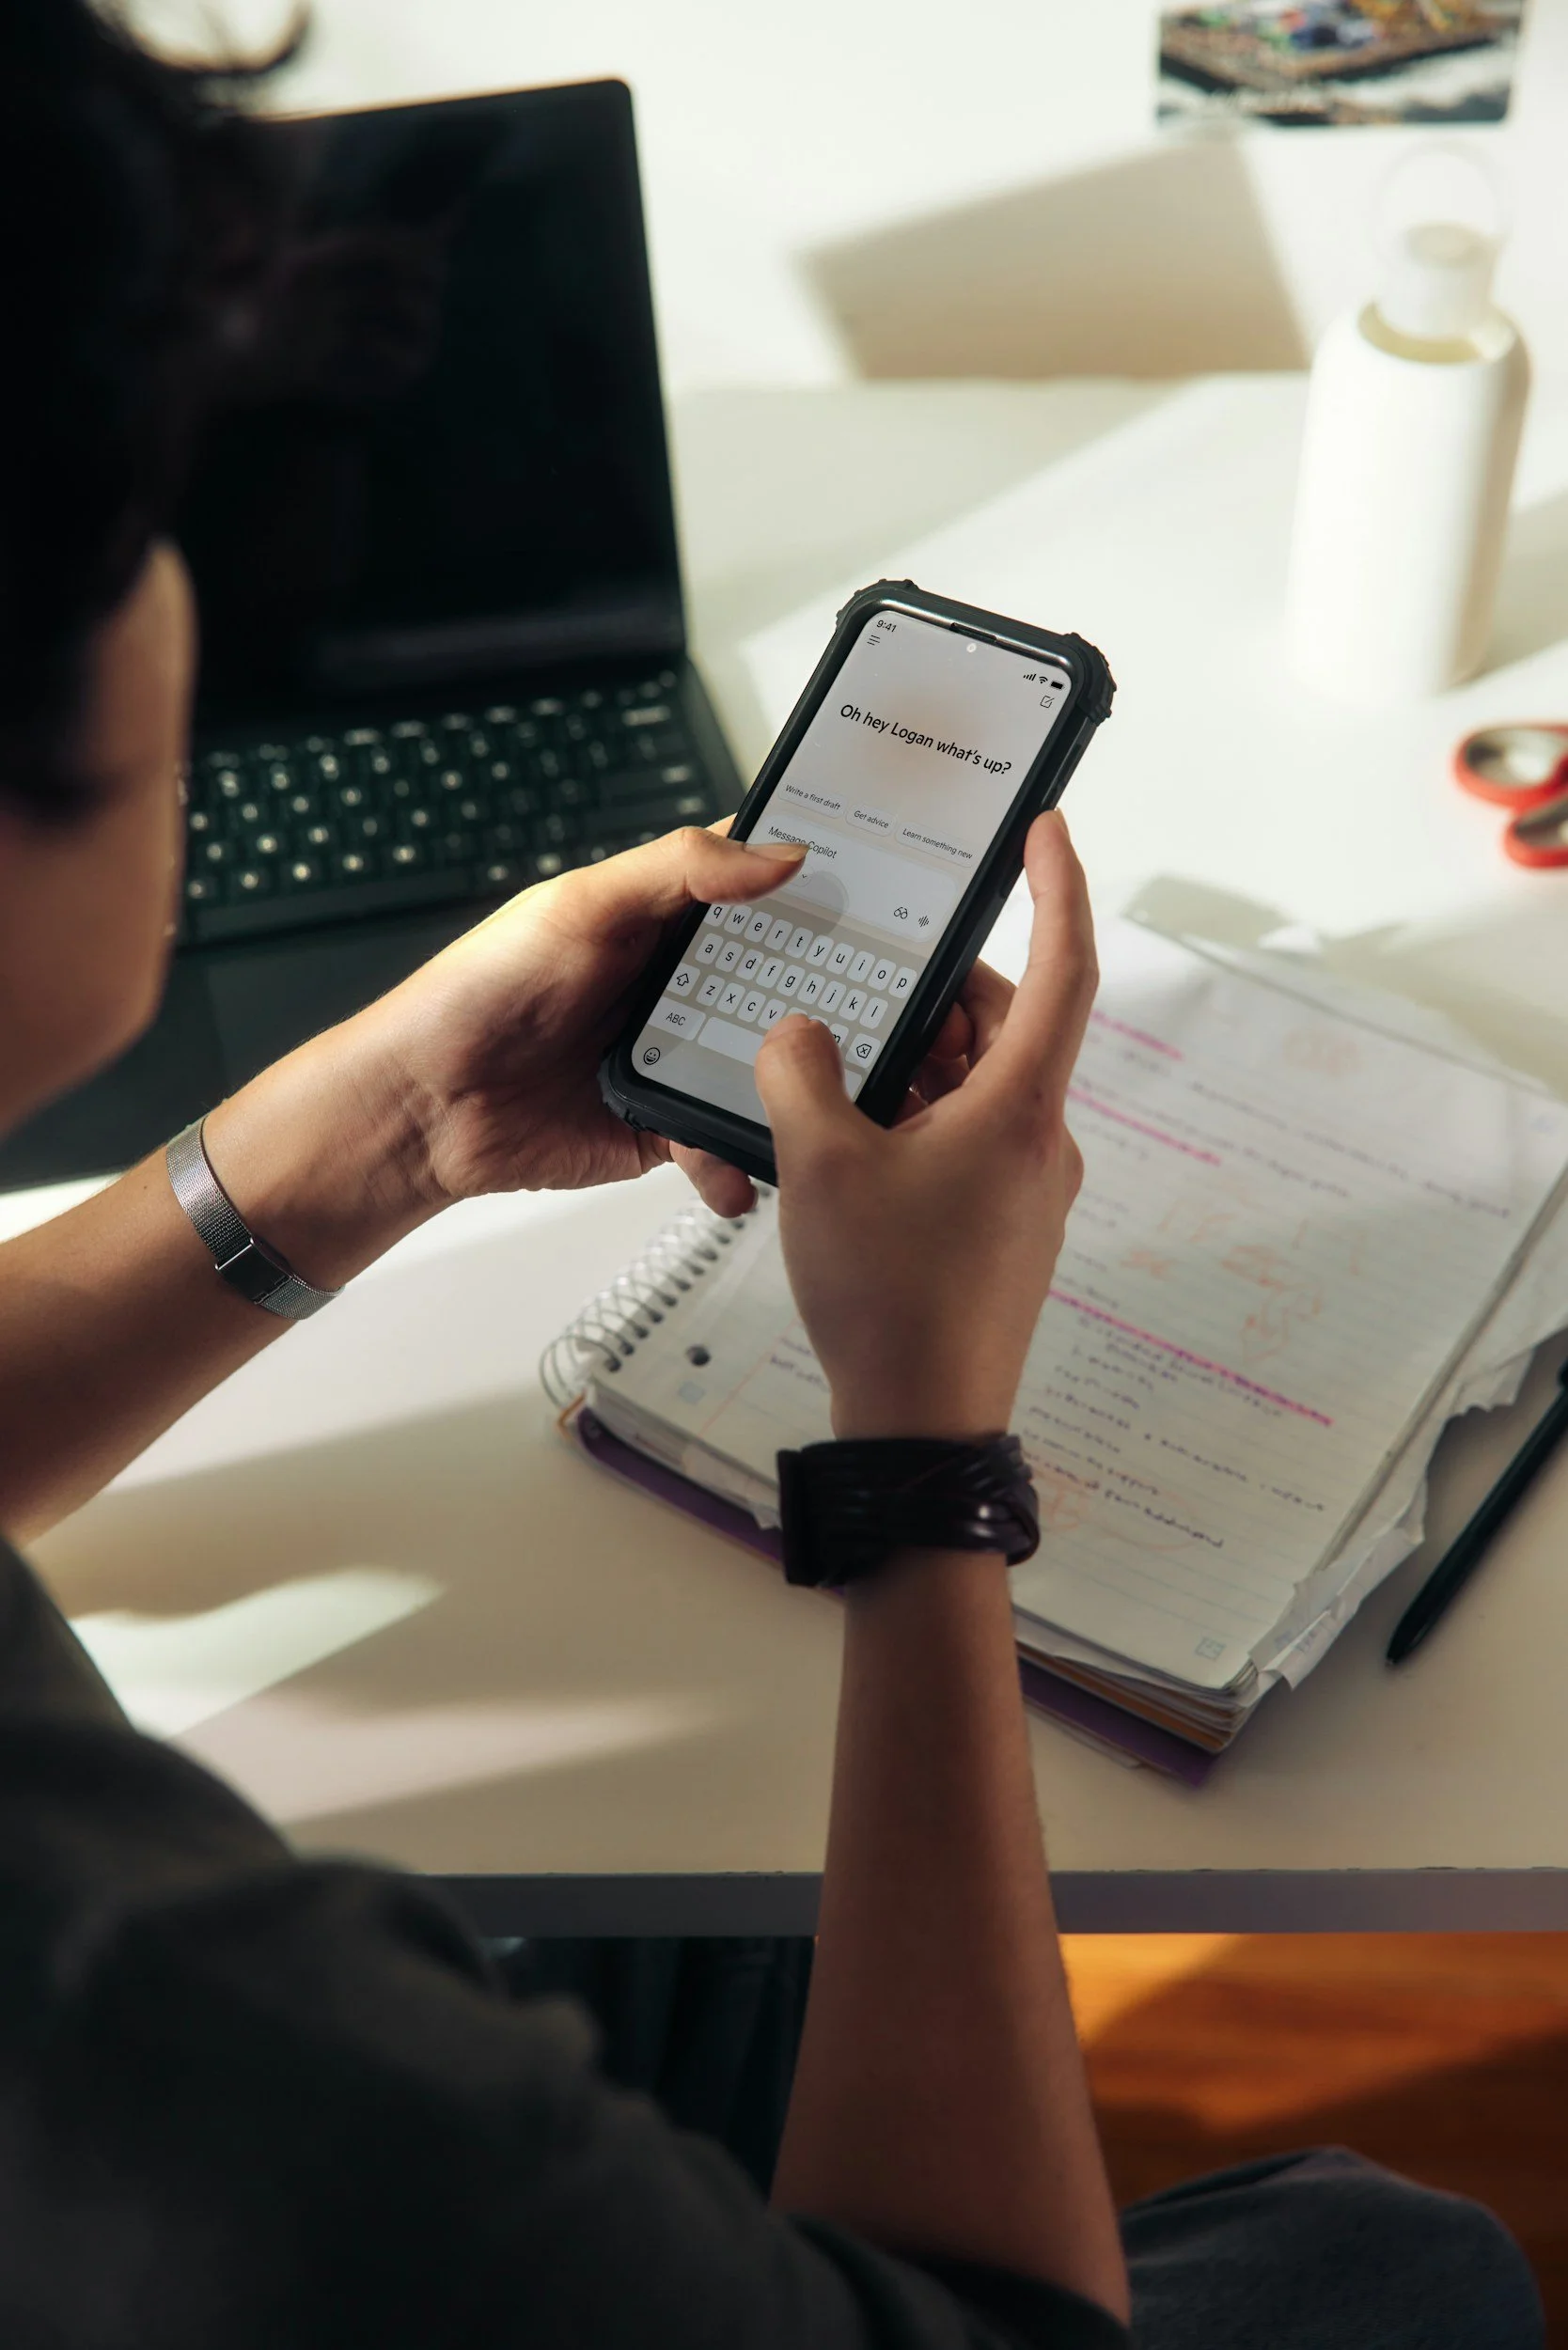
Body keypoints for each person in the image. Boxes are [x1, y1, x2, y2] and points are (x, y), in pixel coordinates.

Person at [0, 7, 1544, 2344]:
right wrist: (918, 1451)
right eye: (144, 506)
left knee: (723, 1910)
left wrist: (386, 1128)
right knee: (1395, 2262)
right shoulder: (169, 2035)